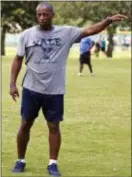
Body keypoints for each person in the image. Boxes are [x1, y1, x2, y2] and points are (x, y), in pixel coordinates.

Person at [9, 2, 127, 176]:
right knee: (25, 124)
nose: (42, 17)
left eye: (45, 14)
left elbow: (90, 30)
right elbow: (18, 59)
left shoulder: (66, 32)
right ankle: (20, 160)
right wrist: (12, 84)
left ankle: (53, 164)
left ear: (52, 16)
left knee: (54, 126)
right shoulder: (27, 35)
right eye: (39, 14)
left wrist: (108, 20)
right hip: (31, 89)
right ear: (37, 16)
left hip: (55, 90)